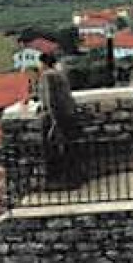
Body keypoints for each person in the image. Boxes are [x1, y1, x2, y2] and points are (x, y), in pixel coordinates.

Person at [35, 52, 81, 189]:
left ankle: (60, 180)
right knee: (68, 148)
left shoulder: (47, 76)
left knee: (55, 150)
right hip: (67, 115)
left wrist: (54, 122)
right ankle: (72, 179)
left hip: (56, 117)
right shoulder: (60, 73)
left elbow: (51, 100)